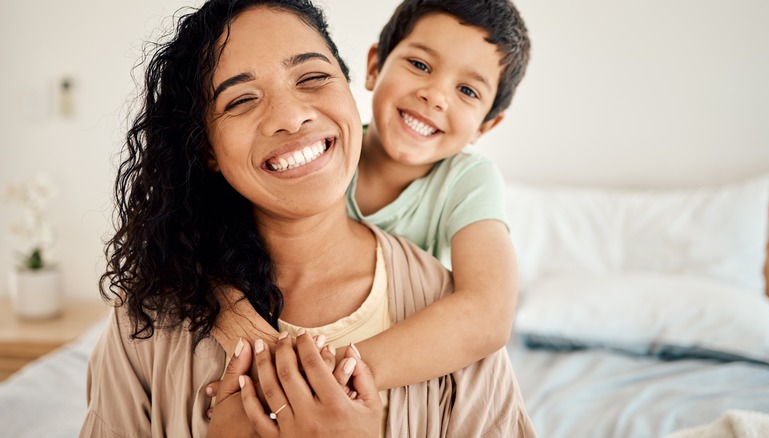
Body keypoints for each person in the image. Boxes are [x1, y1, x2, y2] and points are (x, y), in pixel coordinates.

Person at [81, 0, 535, 436]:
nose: (293, 118)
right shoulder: (147, 317)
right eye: (240, 100)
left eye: (313, 77)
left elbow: (488, 313)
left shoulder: (451, 307)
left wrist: (330, 377)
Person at [216, 0, 532, 393]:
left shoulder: (469, 180)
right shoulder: (320, 153)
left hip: (393, 361)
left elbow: (488, 312)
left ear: (486, 125)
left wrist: (337, 375)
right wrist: (265, 360)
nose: (435, 96)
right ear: (374, 67)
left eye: (467, 90)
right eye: (420, 65)